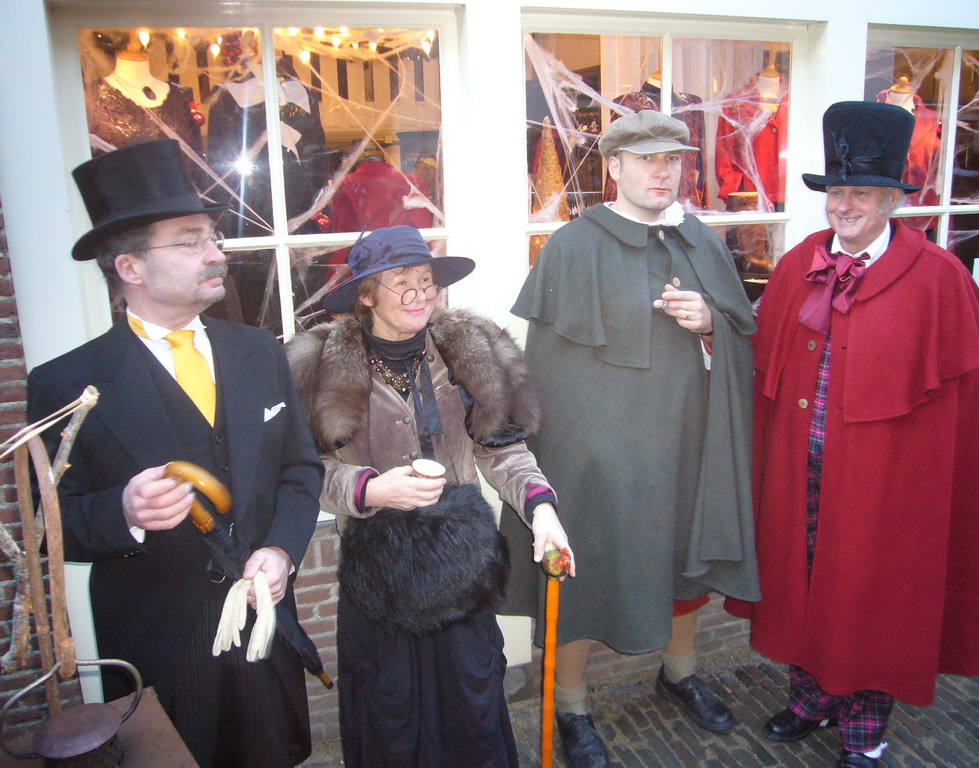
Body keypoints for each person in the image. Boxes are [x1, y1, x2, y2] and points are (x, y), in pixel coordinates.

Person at [26, 138, 324, 768]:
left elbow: (301, 470)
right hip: (156, 649)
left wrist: (281, 551)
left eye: (211, 237)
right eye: (190, 241)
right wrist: (124, 511)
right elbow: (45, 529)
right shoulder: (65, 385)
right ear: (130, 268)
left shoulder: (260, 351)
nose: (216, 253)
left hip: (262, 632)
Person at [727, 101, 979, 768]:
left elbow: (956, 418)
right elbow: (760, 366)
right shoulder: (796, 267)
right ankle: (811, 700)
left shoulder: (937, 280)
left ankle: (863, 729)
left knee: (870, 596)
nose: (844, 206)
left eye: (861, 194)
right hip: (801, 469)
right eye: (837, 192)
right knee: (803, 581)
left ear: (891, 200)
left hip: (885, 487)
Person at [509, 109, 759, 768]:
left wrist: (712, 324)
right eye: (645, 159)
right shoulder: (572, 246)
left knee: (685, 561)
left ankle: (680, 674)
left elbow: (743, 338)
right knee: (584, 575)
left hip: (684, 445)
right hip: (596, 458)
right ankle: (572, 706)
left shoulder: (702, 241)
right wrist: (560, 468)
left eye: (671, 159)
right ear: (613, 168)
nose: (661, 171)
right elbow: (547, 374)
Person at [285, 225, 573, 768]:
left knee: (472, 702)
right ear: (366, 293)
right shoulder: (321, 366)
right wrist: (370, 488)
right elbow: (306, 470)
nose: (421, 293)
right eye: (402, 283)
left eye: (427, 281)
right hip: (378, 577)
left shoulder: (470, 351)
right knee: (388, 713)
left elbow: (504, 451)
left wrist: (542, 509)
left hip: (460, 567)